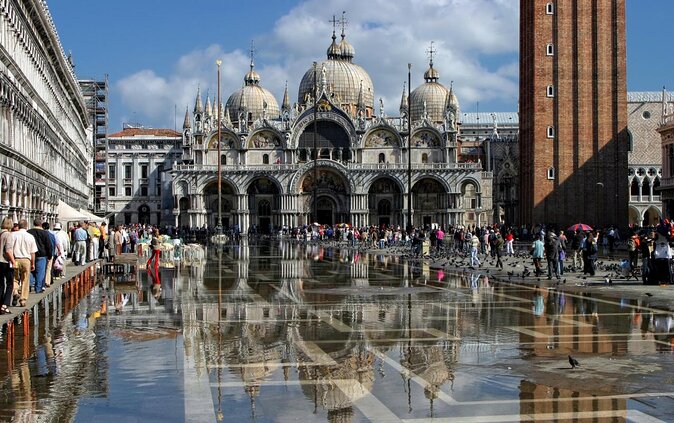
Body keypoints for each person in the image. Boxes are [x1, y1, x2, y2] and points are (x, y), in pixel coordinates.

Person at [12, 219, 37, 308]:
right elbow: (32, 252)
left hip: (15, 259)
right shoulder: (30, 236)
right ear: (26, 226)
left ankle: (15, 292)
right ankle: (22, 300)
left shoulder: (13, 235)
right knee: (25, 280)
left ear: (18, 225)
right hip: (26, 259)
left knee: (14, 278)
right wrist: (33, 263)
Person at [28, 219, 53, 293]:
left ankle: (29, 284)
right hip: (42, 255)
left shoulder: (29, 232)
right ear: (41, 224)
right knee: (40, 272)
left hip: (30, 254)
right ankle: (38, 288)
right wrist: (50, 255)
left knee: (31, 271)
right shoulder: (44, 233)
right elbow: (49, 245)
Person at [0, 217, 16, 314]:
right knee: (10, 283)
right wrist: (13, 261)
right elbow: (8, 250)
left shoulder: (0, 234)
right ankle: (5, 304)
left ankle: (0, 304)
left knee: (1, 284)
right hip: (5, 262)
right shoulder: (8, 235)